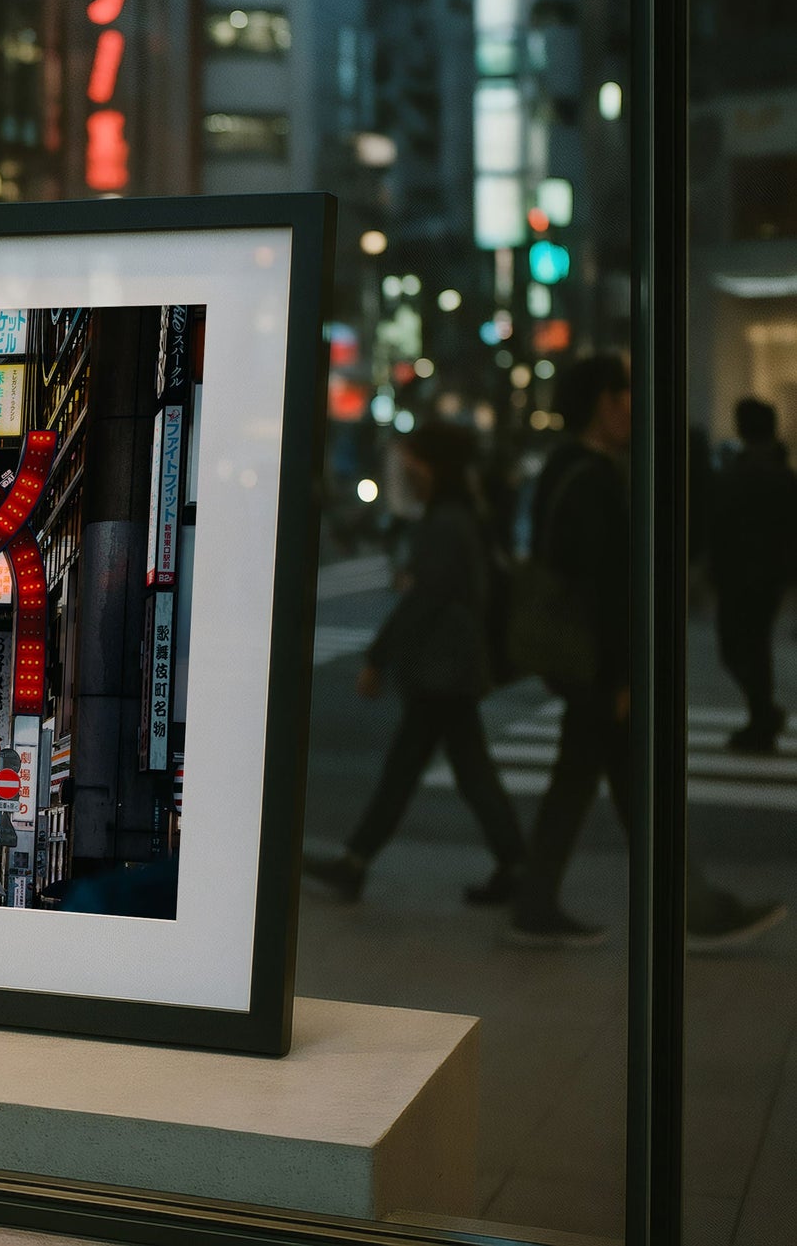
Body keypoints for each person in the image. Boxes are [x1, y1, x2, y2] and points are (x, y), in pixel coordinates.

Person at [508, 356, 786, 949]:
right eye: (627, 394)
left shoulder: (561, 468)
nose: (635, 406)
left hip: (575, 662)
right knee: (639, 791)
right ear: (605, 403)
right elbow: (609, 590)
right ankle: (695, 911)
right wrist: (623, 678)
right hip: (600, 668)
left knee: (597, 784)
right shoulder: (597, 479)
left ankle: (540, 903)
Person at [304, 424, 526, 905]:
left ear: (434, 466)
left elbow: (426, 599)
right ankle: (514, 865)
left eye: (416, 461)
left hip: (444, 669)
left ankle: (357, 862)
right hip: (449, 668)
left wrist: (378, 656)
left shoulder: (447, 521)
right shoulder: (457, 515)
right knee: (448, 769)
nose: (408, 469)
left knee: (433, 769)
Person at [706, 398, 797, 752]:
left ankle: (763, 716)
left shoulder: (740, 472)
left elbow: (720, 524)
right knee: (754, 648)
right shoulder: (781, 473)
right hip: (766, 577)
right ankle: (763, 715)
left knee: (737, 647)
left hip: (740, 575)